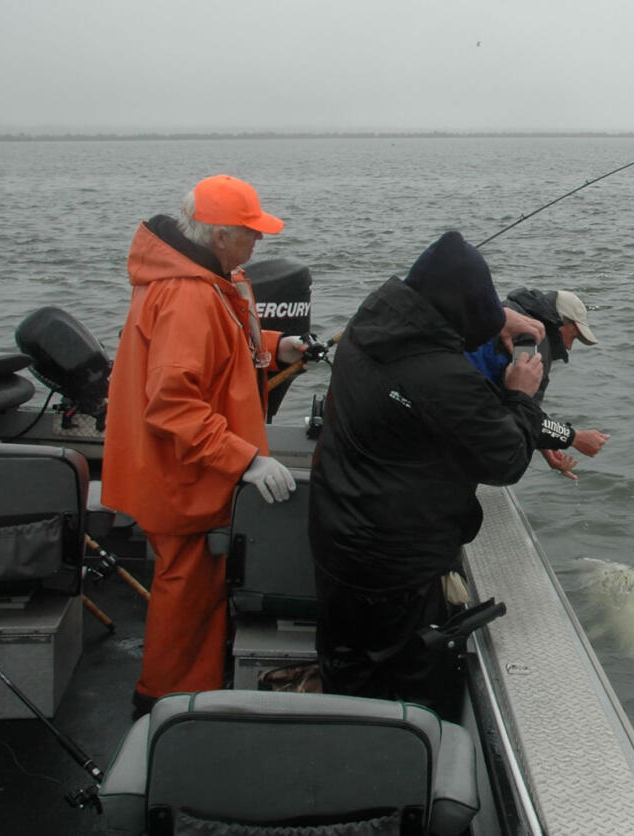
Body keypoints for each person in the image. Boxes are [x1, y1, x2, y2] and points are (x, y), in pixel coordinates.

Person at [307, 230, 545, 714]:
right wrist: (522, 394)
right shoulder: (441, 378)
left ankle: (337, 750)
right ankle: (394, 777)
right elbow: (506, 459)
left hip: (337, 540)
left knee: (346, 667)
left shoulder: (370, 320)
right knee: (408, 693)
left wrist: (497, 316)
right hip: (397, 572)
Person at [102, 174, 307, 718]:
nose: (258, 242)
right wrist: (247, 460)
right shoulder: (189, 295)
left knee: (195, 590)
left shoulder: (198, 278)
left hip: (185, 472)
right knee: (185, 596)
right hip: (183, 479)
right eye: (250, 233)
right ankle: (164, 707)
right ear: (219, 237)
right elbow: (173, 405)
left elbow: (218, 347)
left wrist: (274, 345)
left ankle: (187, 694)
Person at [465, 287, 610, 480]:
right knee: (513, 454)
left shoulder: (511, 314)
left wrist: (545, 444)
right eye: (573, 337)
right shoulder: (530, 340)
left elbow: (523, 407)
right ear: (561, 322)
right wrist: (573, 437)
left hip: (446, 401)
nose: (568, 347)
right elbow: (520, 408)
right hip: (459, 425)